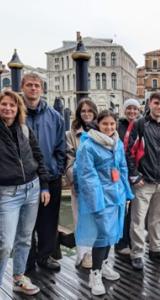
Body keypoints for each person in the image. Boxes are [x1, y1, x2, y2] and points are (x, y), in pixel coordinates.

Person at [74, 110, 134, 296]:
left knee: (113, 232)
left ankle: (106, 264)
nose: (109, 127)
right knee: (102, 234)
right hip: (101, 196)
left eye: (112, 124)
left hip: (116, 194)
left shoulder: (117, 143)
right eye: (105, 124)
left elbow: (122, 167)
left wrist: (126, 192)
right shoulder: (88, 146)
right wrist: (97, 202)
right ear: (98, 124)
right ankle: (95, 273)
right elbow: (87, 176)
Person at [0, 91, 50, 295]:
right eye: (4, 104)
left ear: (18, 108)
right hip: (7, 193)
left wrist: (45, 185)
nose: (8, 108)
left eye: (12, 105)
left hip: (32, 188)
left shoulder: (24, 129)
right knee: (4, 244)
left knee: (25, 238)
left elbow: (37, 155)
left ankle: (18, 277)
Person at [22, 73, 66, 272]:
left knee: (48, 221)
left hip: (50, 176)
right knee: (25, 223)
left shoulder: (55, 116)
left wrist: (54, 172)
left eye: (37, 85)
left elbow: (61, 148)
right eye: (29, 85)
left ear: (42, 89)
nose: (33, 88)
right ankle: (27, 259)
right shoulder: (15, 114)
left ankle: (45, 256)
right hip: (24, 179)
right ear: (23, 87)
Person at [129, 92, 160, 271]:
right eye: (156, 103)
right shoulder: (139, 124)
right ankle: (138, 253)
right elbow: (129, 150)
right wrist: (134, 174)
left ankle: (156, 248)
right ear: (150, 104)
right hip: (144, 181)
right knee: (138, 220)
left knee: (158, 218)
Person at [66, 99, 98, 268]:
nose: (86, 114)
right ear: (79, 113)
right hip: (80, 185)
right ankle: (84, 255)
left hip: (98, 185)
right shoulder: (71, 134)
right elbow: (69, 161)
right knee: (81, 220)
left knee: (97, 219)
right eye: (83, 111)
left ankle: (95, 253)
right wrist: (75, 182)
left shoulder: (100, 132)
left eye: (90, 111)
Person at [115, 98, 141, 255]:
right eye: (129, 108)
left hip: (134, 173)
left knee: (134, 210)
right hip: (120, 173)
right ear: (124, 110)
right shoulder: (118, 126)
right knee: (121, 209)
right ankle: (120, 242)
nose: (132, 112)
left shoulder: (140, 125)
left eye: (135, 109)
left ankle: (130, 240)